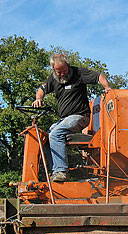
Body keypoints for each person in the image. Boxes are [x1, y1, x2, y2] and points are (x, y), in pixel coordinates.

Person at [32, 53, 112, 182]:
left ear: (68, 66)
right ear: (54, 69)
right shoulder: (53, 78)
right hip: (64, 119)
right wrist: (38, 99)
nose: (62, 74)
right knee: (45, 138)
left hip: (79, 116)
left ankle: (61, 171)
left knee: (56, 134)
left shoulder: (78, 73)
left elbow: (99, 76)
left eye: (64, 70)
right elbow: (42, 89)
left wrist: (107, 88)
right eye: (59, 72)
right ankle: (55, 172)